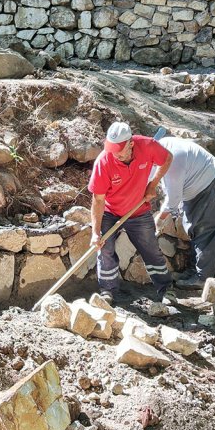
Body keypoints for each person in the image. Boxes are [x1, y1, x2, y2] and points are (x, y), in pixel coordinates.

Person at [89, 121, 174, 302]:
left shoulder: (148, 146)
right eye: (112, 149)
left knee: (150, 248)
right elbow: (98, 200)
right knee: (105, 248)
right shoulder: (104, 162)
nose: (115, 154)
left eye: (119, 149)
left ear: (131, 143)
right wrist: (96, 234)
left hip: (138, 210)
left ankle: (166, 288)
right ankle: (108, 291)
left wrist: (153, 185)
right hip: (110, 212)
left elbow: (167, 159)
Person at [155, 136, 215, 292]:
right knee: (194, 229)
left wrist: (161, 217)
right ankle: (198, 271)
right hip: (202, 186)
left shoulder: (173, 158)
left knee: (205, 231)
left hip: (212, 185)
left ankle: (203, 279)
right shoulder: (161, 149)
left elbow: (174, 197)